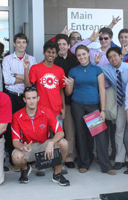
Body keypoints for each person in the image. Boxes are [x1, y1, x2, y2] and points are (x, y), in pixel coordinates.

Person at [65, 45, 115, 175]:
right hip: (78, 106)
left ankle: (105, 165)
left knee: (99, 135)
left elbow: (102, 90)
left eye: (83, 54)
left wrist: (103, 110)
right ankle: (84, 163)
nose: (82, 57)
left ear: (88, 54)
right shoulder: (73, 71)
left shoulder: (97, 70)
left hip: (93, 106)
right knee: (81, 134)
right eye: (79, 55)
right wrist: (68, 85)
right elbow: (68, 93)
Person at [11, 86, 70, 186]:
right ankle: (25, 169)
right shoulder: (17, 116)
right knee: (16, 157)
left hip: (44, 145)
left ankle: (57, 174)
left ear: (38, 98)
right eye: (28, 98)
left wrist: (51, 142)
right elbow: (15, 141)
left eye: (34, 98)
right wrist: (22, 146)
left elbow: (60, 132)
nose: (31, 101)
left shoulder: (46, 112)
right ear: (24, 100)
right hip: (28, 147)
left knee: (63, 143)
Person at [2, 33, 37, 169]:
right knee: (11, 127)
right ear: (14, 44)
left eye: (24, 42)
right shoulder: (7, 59)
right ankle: (13, 157)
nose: (21, 44)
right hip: (11, 96)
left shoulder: (32, 59)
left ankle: (30, 157)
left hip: (27, 96)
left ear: (26, 44)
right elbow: (7, 80)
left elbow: (32, 80)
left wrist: (15, 75)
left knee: (28, 126)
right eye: (19, 42)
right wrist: (24, 77)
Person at [101, 47, 128, 170]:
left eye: (115, 56)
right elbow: (91, 68)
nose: (113, 59)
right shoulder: (106, 69)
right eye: (110, 57)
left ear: (120, 56)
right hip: (121, 101)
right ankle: (120, 159)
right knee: (119, 129)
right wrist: (96, 62)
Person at [24, 41, 65, 128]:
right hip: (41, 109)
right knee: (42, 139)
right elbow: (28, 86)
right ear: (44, 53)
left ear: (57, 55)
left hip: (57, 110)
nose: (51, 54)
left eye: (53, 52)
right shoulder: (35, 68)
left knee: (58, 138)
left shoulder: (60, 70)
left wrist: (63, 108)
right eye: (48, 52)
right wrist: (26, 69)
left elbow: (61, 91)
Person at [54, 34, 79, 168]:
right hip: (54, 103)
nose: (62, 47)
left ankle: (69, 157)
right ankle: (55, 157)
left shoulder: (74, 61)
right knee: (55, 132)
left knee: (70, 131)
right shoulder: (52, 61)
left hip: (70, 101)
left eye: (64, 44)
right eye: (59, 44)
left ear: (68, 46)